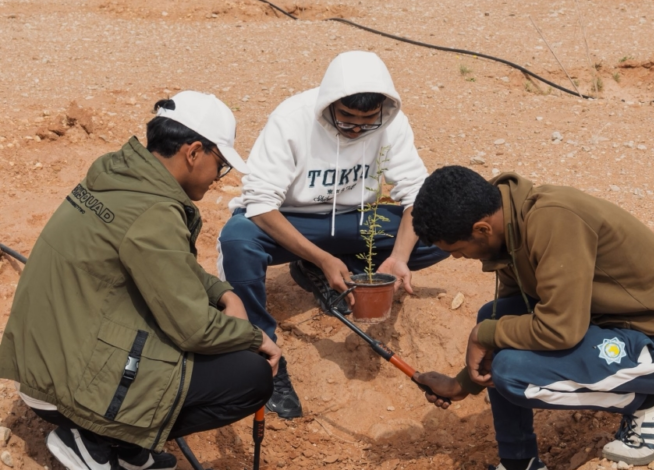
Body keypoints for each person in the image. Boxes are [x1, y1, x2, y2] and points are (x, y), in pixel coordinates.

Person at [0, 91, 281, 470]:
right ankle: (97, 440)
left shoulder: (122, 177)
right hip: (63, 391)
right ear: (194, 152)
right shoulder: (155, 211)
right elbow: (194, 329)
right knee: (250, 375)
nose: (218, 178)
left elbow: (169, 265)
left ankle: (127, 447)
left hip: (42, 367)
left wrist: (223, 291)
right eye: (221, 165)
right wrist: (254, 337)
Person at [411, 166, 654, 470]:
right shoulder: (509, 224)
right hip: (614, 326)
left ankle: (652, 401)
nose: (460, 258)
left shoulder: (554, 220)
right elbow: (511, 319)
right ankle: (519, 462)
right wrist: (462, 384)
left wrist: (482, 335)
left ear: (482, 229)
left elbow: (560, 329)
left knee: (510, 372)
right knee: (495, 317)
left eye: (458, 250)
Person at [218, 50, 449, 419]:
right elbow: (260, 203)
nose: (357, 130)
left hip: (355, 220)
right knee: (238, 239)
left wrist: (400, 257)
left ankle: (323, 271)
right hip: (293, 220)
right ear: (329, 106)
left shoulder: (392, 123)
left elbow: (417, 195)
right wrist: (321, 256)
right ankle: (265, 359)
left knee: (443, 229)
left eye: (367, 122)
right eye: (347, 120)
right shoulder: (291, 119)